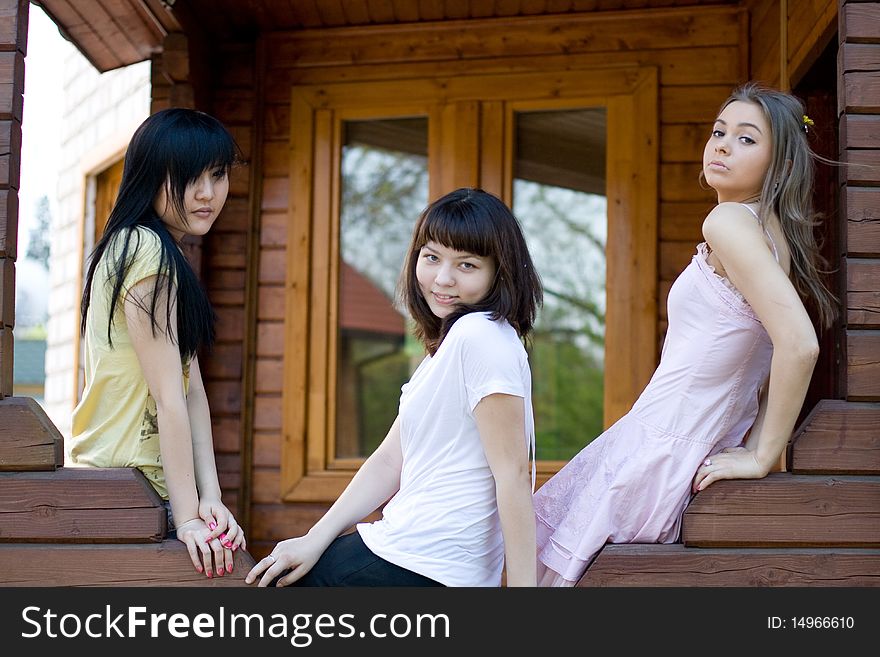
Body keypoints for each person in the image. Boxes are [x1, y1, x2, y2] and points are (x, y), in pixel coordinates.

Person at [533, 82, 837, 587]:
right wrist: (757, 445)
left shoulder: (728, 222)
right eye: (720, 132)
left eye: (746, 139)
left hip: (660, 452)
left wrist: (763, 455)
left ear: (780, 161)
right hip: (669, 446)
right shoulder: (770, 234)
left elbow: (800, 345)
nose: (721, 145)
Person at [246, 187, 543, 587]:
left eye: (467, 265)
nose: (443, 278)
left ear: (498, 272)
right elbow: (390, 460)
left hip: (425, 565)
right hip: (410, 554)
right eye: (432, 257)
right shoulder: (449, 346)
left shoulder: (482, 338)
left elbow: (511, 475)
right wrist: (315, 538)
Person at [70, 108, 247, 578]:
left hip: (141, 486)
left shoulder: (156, 252)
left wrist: (211, 498)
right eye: (189, 178)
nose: (208, 193)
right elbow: (169, 399)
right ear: (151, 177)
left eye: (217, 175)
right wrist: (188, 517)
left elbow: (191, 390)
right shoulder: (143, 249)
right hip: (126, 486)